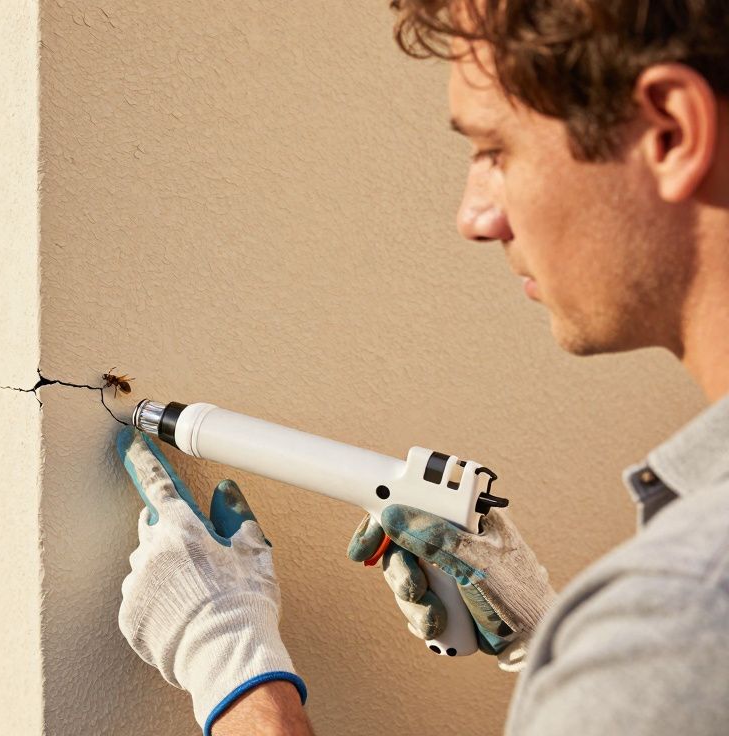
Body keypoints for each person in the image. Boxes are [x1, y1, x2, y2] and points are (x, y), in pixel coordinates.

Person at [115, 2, 729, 734]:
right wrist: (550, 642)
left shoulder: (677, 626)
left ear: (671, 131)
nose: (473, 216)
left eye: (495, 151)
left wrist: (235, 675)